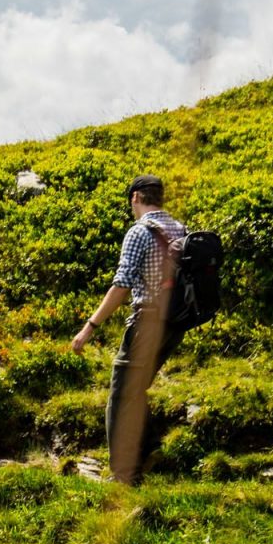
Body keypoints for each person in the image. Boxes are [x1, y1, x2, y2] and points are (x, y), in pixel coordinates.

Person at [69, 174, 188, 484]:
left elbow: (121, 285)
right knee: (137, 389)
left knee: (121, 396)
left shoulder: (139, 232)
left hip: (146, 321)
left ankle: (124, 474)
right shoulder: (180, 228)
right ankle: (148, 452)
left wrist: (89, 327)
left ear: (136, 197)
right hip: (175, 325)